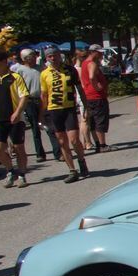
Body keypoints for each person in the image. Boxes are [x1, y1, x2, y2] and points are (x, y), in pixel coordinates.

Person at [40, 47, 89, 183]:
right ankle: (72, 170)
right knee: (62, 141)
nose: (53, 58)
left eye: (55, 55)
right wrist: (42, 113)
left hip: (69, 109)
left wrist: (85, 106)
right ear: (47, 58)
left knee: (74, 140)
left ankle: (81, 161)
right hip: (53, 110)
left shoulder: (70, 70)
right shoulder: (45, 74)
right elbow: (44, 95)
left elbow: (79, 88)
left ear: (59, 55)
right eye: (50, 56)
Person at [0, 48, 30, 187]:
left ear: (3, 61)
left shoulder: (15, 77)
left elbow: (24, 96)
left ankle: (22, 174)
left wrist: (17, 113)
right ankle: (10, 171)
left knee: (19, 148)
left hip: (15, 118)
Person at [12, 48, 60, 162]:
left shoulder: (41, 68)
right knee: (35, 127)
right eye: (31, 56)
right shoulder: (19, 70)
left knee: (50, 126)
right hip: (30, 101)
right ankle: (40, 153)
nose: (34, 58)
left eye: (34, 55)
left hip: (42, 99)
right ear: (24, 59)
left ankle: (57, 152)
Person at [82, 44, 113, 152]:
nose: (101, 54)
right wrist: (97, 86)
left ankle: (98, 144)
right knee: (100, 120)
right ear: (93, 52)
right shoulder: (92, 64)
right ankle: (102, 145)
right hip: (96, 96)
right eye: (99, 52)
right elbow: (91, 77)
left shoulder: (85, 63)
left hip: (89, 96)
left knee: (94, 121)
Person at [72, 47, 95, 150]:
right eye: (83, 56)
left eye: (86, 55)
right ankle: (87, 142)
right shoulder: (77, 69)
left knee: (86, 119)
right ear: (77, 56)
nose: (85, 58)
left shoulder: (81, 67)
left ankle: (86, 141)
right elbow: (80, 85)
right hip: (82, 96)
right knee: (85, 119)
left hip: (85, 95)